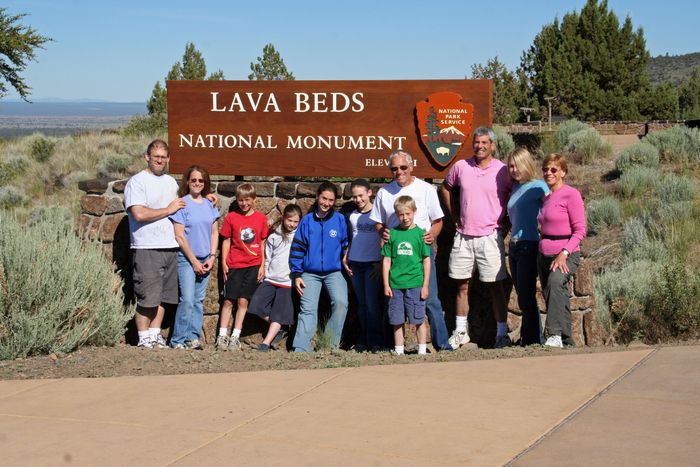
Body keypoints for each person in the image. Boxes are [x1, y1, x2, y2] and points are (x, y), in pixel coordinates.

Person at [369, 150, 452, 352]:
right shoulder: (384, 193)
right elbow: (378, 223)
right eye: (394, 168)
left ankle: (442, 343)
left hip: (420, 254)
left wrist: (431, 235)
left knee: (429, 298)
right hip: (395, 256)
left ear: (411, 166)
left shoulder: (426, 189)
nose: (399, 172)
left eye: (403, 167)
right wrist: (383, 233)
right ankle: (391, 344)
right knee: (392, 300)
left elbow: (438, 221)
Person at [440, 127, 512, 349]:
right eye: (476, 142)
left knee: (496, 286)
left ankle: (502, 334)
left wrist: (506, 222)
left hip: (490, 235)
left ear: (493, 145)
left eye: (484, 142)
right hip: (463, 236)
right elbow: (446, 187)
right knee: (462, 285)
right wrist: (454, 216)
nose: (480, 146)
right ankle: (461, 332)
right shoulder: (461, 167)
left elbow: (514, 194)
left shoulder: (502, 171)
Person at [124, 139, 185, 348]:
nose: (159, 160)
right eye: (155, 156)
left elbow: (185, 203)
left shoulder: (170, 182)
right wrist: (167, 210)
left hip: (170, 246)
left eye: (163, 157)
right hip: (146, 246)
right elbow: (139, 213)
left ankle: (155, 334)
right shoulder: (137, 182)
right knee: (147, 296)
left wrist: (207, 197)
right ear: (147, 157)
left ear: (168, 159)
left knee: (164, 297)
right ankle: (143, 338)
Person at [290, 181, 349, 352]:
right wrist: (297, 274)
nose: (326, 203)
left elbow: (346, 245)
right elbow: (297, 248)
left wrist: (347, 261)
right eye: (324, 198)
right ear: (317, 197)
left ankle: (328, 345)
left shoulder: (339, 220)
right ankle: (301, 348)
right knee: (307, 310)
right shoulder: (307, 221)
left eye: (331, 200)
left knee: (341, 303)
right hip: (309, 273)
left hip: (334, 271)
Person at [538, 153, 587, 348]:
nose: (548, 173)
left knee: (556, 282)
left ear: (563, 172)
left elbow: (581, 229)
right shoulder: (547, 198)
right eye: (545, 169)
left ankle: (554, 334)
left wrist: (564, 253)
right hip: (544, 252)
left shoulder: (571, 194)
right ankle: (567, 340)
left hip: (566, 253)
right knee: (553, 293)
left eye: (553, 170)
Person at [168, 165, 220, 349]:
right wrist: (194, 261)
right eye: (193, 180)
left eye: (201, 180)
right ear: (187, 182)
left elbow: (214, 233)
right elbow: (179, 236)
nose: (197, 183)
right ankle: (178, 340)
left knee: (198, 301)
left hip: (206, 258)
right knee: (188, 300)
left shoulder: (209, 204)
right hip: (187, 260)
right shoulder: (181, 204)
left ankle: (193, 337)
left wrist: (212, 257)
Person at [217, 183, 269, 351]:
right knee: (228, 301)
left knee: (243, 301)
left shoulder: (261, 218)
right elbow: (226, 240)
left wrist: (262, 265)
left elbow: (262, 242)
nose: (244, 204)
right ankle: (222, 336)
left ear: (254, 200)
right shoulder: (231, 217)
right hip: (235, 264)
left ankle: (235, 336)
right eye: (240, 200)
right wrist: (224, 262)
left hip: (253, 265)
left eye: (247, 200)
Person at [506, 148, 549, 346]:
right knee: (522, 294)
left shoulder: (538, 186)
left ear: (526, 164)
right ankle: (530, 337)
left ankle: (534, 340)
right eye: (511, 166)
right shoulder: (515, 188)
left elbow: (553, 206)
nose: (514, 170)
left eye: (517, 165)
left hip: (529, 244)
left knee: (526, 293)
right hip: (514, 246)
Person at [248, 203, 302, 352]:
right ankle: (280, 326)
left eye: (295, 221)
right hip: (271, 278)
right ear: (283, 218)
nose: (292, 224)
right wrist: (265, 271)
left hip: (287, 282)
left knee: (278, 313)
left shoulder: (300, 236)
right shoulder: (274, 235)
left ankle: (265, 343)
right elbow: (268, 256)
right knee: (256, 305)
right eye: (289, 220)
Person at [382, 196, 431, 355]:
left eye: (408, 213)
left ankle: (422, 351)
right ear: (397, 215)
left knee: (418, 319)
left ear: (414, 212)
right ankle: (399, 351)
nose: (405, 217)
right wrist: (386, 284)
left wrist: (425, 286)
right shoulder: (393, 234)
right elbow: (387, 260)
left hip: (415, 284)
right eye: (401, 214)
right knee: (397, 320)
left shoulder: (420, 234)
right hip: (395, 285)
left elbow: (426, 261)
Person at [343, 179, 383, 352]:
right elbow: (352, 238)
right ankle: (362, 340)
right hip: (355, 264)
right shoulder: (352, 215)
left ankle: (375, 341)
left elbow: (385, 239)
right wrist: (346, 256)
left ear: (369, 193)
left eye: (361, 195)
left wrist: (381, 263)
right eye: (354, 196)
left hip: (372, 265)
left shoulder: (378, 213)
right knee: (361, 305)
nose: (358, 199)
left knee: (372, 304)